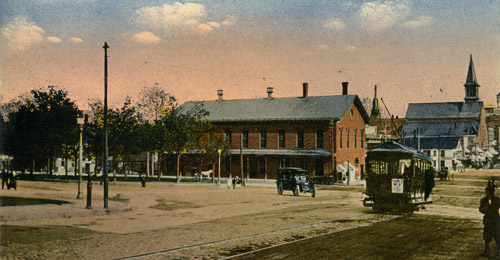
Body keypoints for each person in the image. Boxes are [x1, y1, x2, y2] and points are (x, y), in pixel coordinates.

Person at [479, 178, 500, 258]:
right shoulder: (484, 200)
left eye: (489, 192)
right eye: (487, 192)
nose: (487, 194)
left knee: (497, 236)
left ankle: (498, 252)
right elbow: (480, 209)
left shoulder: (497, 200)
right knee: (487, 236)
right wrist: (485, 210)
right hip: (488, 220)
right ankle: (486, 251)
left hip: (495, 220)